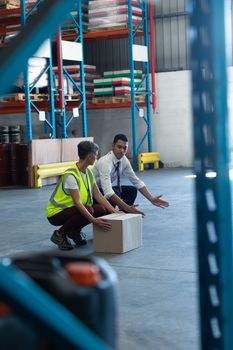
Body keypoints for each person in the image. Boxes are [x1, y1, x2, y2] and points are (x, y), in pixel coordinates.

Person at [46, 140, 118, 251]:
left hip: (72, 210)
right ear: (89, 156)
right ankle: (59, 235)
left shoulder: (88, 173)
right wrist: (94, 221)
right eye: (96, 154)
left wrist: (114, 211)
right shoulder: (71, 175)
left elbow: (98, 196)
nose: (97, 157)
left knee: (101, 210)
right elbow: (78, 203)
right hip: (56, 213)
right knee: (89, 210)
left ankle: (74, 231)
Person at [92, 134, 169, 216]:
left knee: (131, 191)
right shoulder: (105, 162)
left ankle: (124, 216)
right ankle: (117, 214)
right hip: (94, 193)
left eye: (125, 148)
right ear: (113, 146)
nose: (122, 150)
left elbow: (136, 181)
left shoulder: (124, 160)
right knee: (113, 195)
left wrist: (151, 198)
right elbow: (108, 192)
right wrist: (127, 207)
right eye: (119, 147)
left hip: (105, 190)